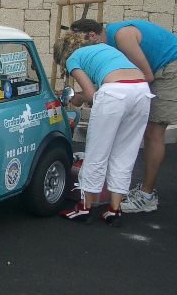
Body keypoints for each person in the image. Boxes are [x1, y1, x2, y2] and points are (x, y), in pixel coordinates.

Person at [71, 18, 177, 213]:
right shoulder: (110, 43)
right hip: (149, 76)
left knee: (153, 133)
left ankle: (146, 195)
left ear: (93, 36)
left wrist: (90, 95)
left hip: (168, 69)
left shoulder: (122, 36)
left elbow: (146, 76)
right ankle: (117, 201)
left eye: (81, 42)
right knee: (129, 138)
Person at [54, 32, 153, 227]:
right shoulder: (106, 49)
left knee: (96, 152)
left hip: (114, 93)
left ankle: (84, 207)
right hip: (142, 91)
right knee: (125, 153)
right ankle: (114, 209)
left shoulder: (73, 59)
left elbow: (91, 94)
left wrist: (78, 98)